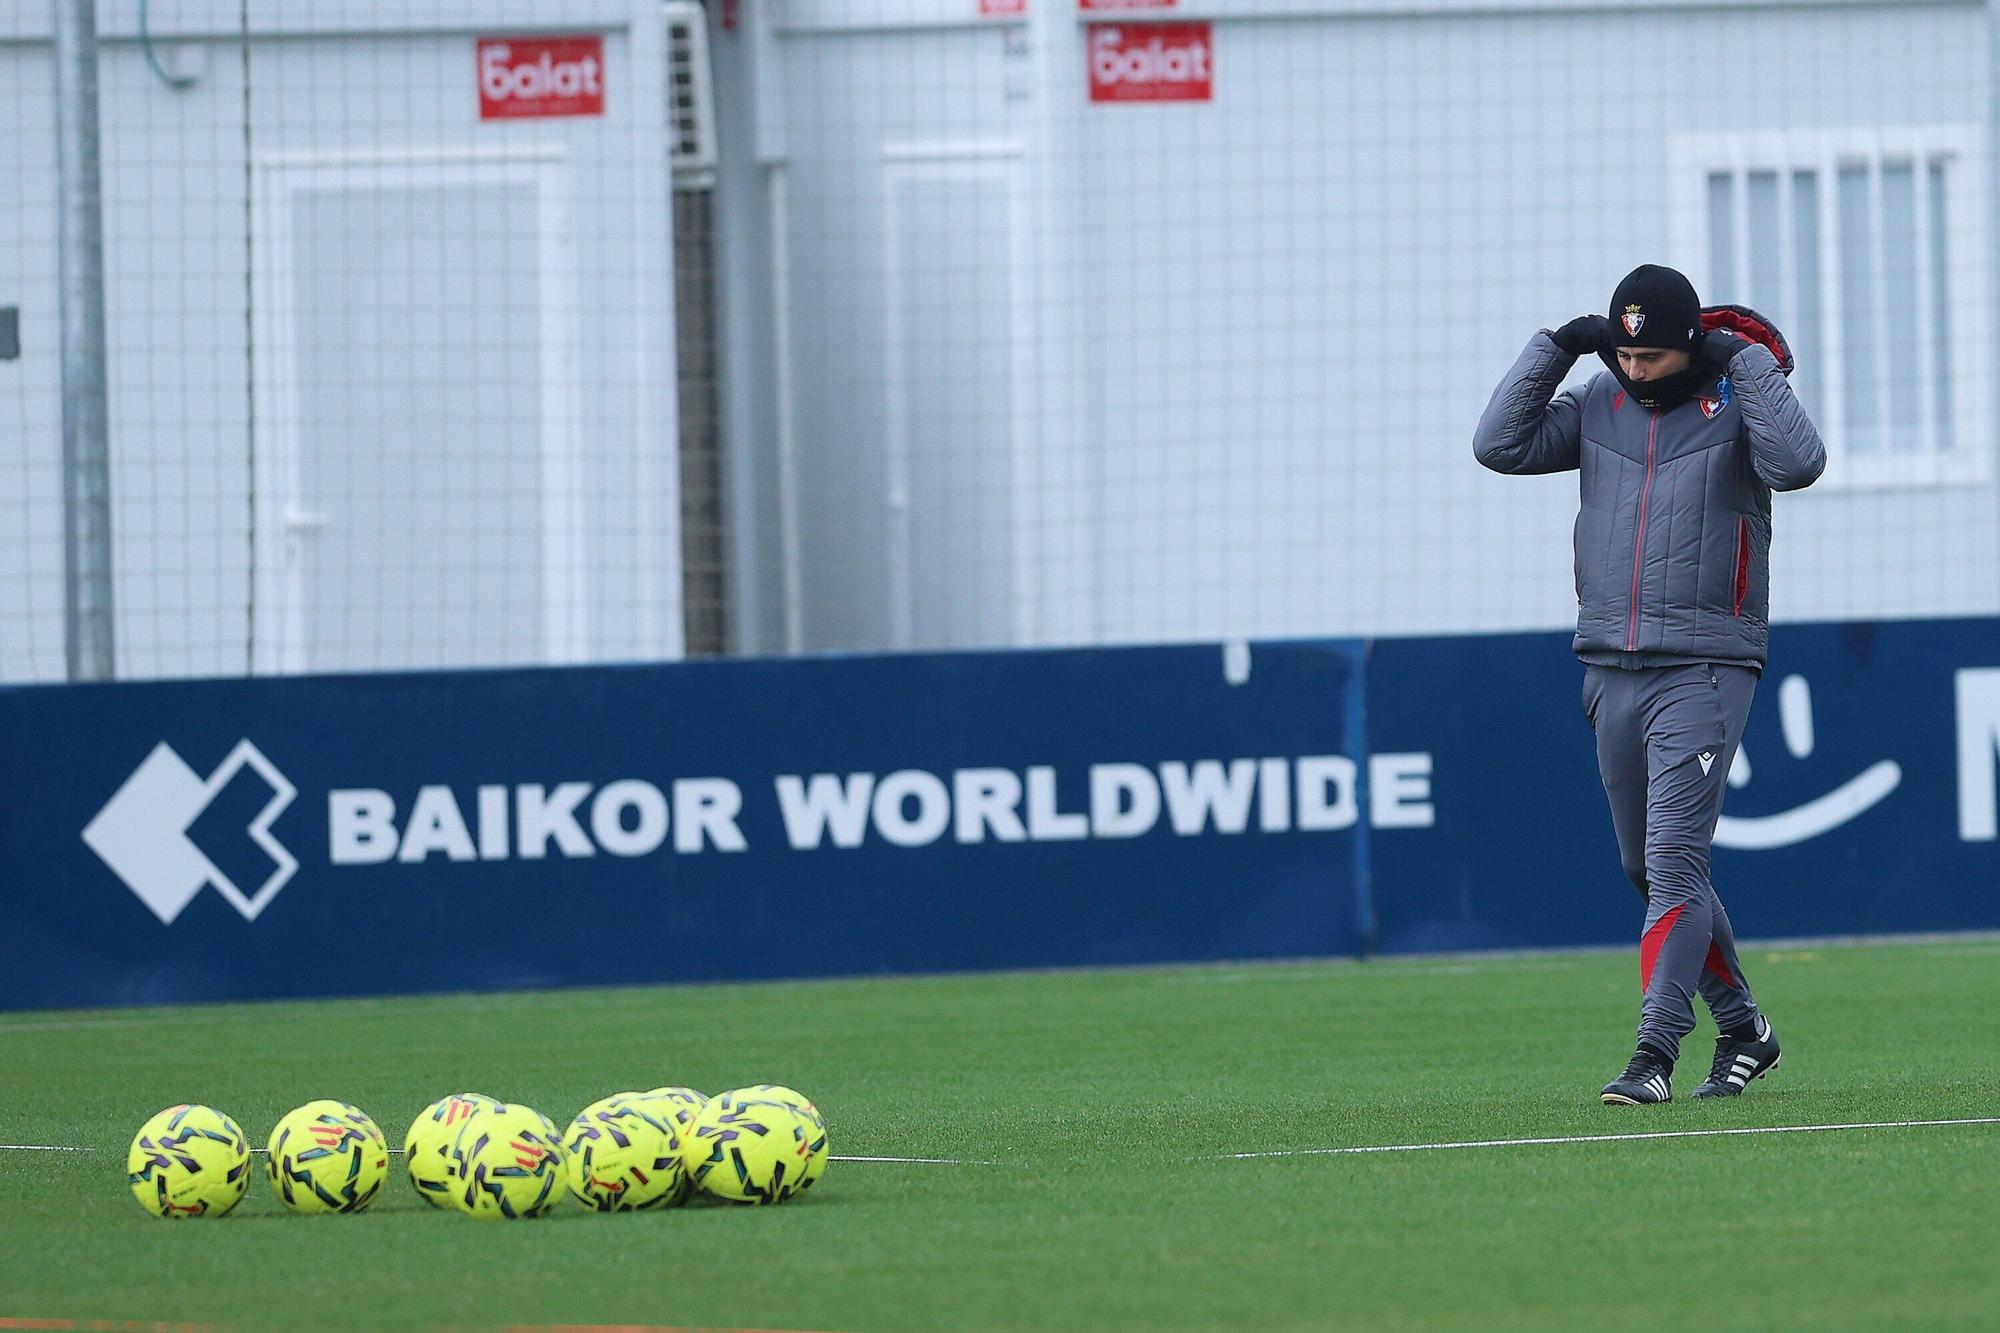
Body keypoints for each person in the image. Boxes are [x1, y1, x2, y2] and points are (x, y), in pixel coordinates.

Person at [1472, 264, 1826, 1104]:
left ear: (1691, 346)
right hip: (1609, 662)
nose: (1635, 371)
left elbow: (1800, 463)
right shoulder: (1599, 403)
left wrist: (1745, 362)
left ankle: (1653, 1055)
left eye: (1654, 356)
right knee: (1646, 863)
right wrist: (1557, 348)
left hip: (1706, 662)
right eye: (1623, 355)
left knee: (1673, 862)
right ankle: (1744, 1027)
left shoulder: (1739, 402)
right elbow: (1499, 444)